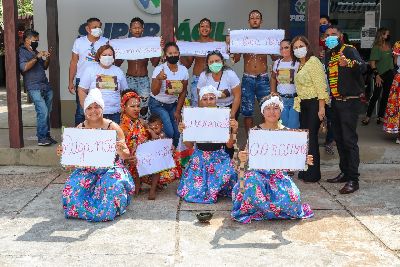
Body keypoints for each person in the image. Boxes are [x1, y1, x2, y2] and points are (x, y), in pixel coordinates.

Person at [231, 95, 314, 224]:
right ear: (263, 112)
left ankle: (269, 209)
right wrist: (243, 157)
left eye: (276, 108)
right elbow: (245, 158)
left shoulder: (288, 132)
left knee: (293, 199)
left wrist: (303, 160)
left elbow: (291, 159)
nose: (272, 112)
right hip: (258, 175)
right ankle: (258, 210)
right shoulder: (255, 132)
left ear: (281, 111)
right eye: (268, 108)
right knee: (251, 183)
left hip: (278, 175)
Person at [59, 89, 135, 222]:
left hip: (111, 168)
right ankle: (87, 211)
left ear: (102, 108)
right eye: (89, 107)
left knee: (112, 186)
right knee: (72, 188)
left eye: (97, 107)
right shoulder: (80, 128)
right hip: (87, 168)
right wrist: (64, 153)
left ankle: (106, 211)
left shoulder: (113, 127)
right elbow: (71, 163)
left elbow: (126, 155)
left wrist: (121, 150)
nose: (93, 111)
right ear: (84, 110)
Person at [177, 85, 238, 204]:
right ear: (200, 100)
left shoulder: (223, 116)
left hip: (219, 156)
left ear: (216, 100)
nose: (208, 102)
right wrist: (184, 131)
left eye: (211, 98)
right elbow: (189, 145)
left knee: (228, 173)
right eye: (205, 99)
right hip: (200, 157)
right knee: (195, 190)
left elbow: (229, 145)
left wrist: (234, 130)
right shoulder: (194, 117)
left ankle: (216, 188)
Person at [324, 26, 366, 194]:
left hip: (350, 102)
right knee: (339, 139)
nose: (330, 37)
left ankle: (353, 179)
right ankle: (345, 172)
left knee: (349, 140)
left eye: (333, 34)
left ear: (340, 36)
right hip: (336, 102)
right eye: (327, 35)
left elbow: (363, 67)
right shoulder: (329, 54)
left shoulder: (348, 50)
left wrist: (349, 63)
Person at [291, 35, 329, 183]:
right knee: (306, 139)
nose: (298, 49)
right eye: (295, 47)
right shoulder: (300, 64)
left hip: (314, 104)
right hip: (304, 105)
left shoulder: (313, 62)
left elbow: (321, 86)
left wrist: (321, 108)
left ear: (307, 47)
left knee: (312, 139)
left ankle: (313, 174)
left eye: (301, 46)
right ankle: (306, 169)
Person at [232, 10, 272, 134]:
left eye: (257, 18)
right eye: (252, 18)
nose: (255, 19)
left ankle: (263, 136)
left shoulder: (267, 37)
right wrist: (232, 47)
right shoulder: (244, 37)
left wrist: (273, 47)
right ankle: (250, 138)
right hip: (248, 78)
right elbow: (236, 59)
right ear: (248, 21)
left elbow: (275, 57)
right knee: (247, 111)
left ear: (261, 21)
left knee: (266, 108)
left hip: (263, 78)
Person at [115, 17, 161, 120]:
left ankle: (142, 129)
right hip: (129, 79)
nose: (137, 30)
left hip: (143, 79)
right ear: (130, 30)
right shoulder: (126, 43)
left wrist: (158, 50)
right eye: (134, 28)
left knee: (143, 107)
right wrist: (117, 50)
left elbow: (154, 63)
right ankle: (130, 129)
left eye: (139, 28)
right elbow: (117, 63)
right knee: (129, 104)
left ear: (142, 29)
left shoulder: (148, 43)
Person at [19, 29, 56, 146]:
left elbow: (44, 67)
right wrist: (37, 56)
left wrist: (48, 57)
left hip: (45, 86)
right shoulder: (21, 52)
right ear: (27, 40)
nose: (37, 42)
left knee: (47, 112)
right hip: (34, 87)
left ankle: (47, 136)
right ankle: (41, 138)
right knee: (43, 111)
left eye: (37, 40)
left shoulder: (35, 51)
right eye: (35, 40)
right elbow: (24, 67)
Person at [68, 18, 109, 126]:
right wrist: (70, 81)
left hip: (100, 78)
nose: (97, 29)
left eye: (99, 27)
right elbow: (73, 62)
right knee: (81, 109)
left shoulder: (105, 41)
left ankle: (97, 133)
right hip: (81, 79)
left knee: (99, 107)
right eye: (94, 27)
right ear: (87, 28)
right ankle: (78, 134)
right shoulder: (79, 42)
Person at [150, 42, 189, 147]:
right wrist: (159, 79)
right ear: (165, 55)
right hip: (157, 104)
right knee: (170, 132)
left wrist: (178, 111)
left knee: (177, 132)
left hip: (172, 104)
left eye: (175, 53)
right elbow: (154, 92)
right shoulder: (159, 69)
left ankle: (175, 155)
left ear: (179, 54)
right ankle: (165, 153)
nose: (173, 55)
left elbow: (183, 91)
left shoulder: (183, 70)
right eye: (170, 53)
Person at [78, 44, 128, 124]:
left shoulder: (118, 71)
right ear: (99, 56)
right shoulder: (90, 70)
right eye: (104, 55)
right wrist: (87, 109)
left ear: (113, 57)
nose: (107, 57)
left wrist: (123, 108)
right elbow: (81, 90)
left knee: (114, 136)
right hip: (96, 113)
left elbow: (126, 92)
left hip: (115, 114)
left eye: (110, 55)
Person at [362, 27, 395, 125]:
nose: (388, 36)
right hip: (380, 75)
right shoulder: (376, 47)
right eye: (387, 34)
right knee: (375, 96)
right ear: (382, 35)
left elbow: (392, 60)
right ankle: (367, 117)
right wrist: (377, 75)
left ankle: (380, 116)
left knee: (385, 96)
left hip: (389, 73)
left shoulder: (389, 45)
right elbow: (372, 62)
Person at [180, 18, 214, 107]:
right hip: (197, 79)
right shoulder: (194, 44)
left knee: (211, 105)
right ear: (198, 29)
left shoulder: (216, 44)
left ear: (211, 29)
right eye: (202, 26)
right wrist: (181, 52)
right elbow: (187, 64)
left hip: (212, 77)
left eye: (207, 26)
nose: (204, 28)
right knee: (196, 104)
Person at [270, 39, 300, 128]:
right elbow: (273, 78)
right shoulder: (277, 63)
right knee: (283, 126)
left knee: (293, 126)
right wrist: (273, 92)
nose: (283, 50)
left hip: (295, 99)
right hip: (281, 99)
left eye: (286, 47)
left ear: (292, 48)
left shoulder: (297, 63)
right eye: (281, 48)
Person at [383, 41, 400, 143]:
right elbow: (395, 62)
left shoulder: (398, 44)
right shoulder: (398, 45)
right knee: (397, 106)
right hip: (399, 79)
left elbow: (395, 62)